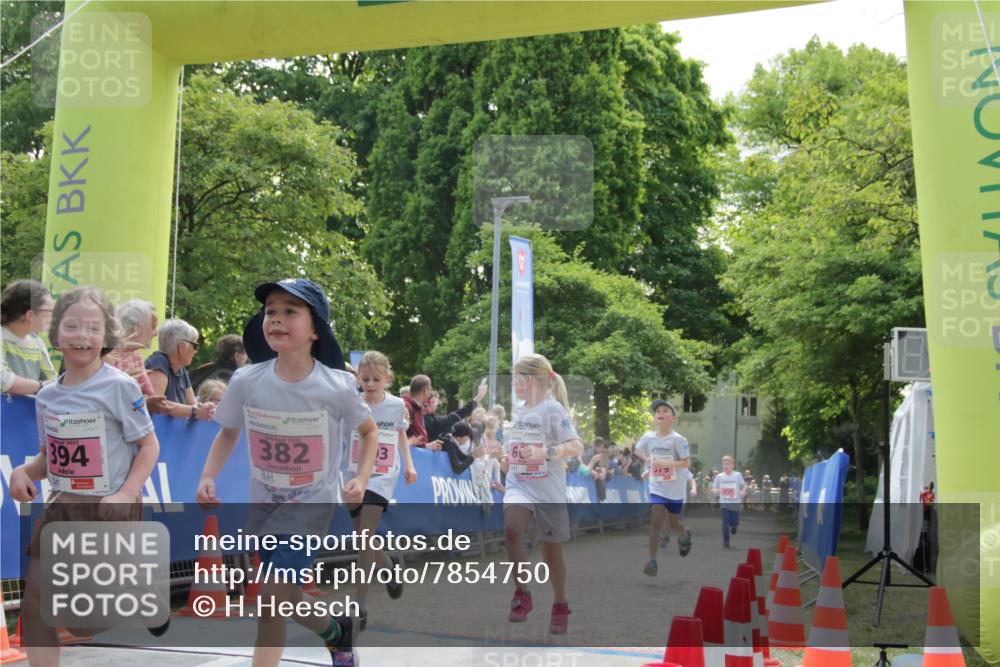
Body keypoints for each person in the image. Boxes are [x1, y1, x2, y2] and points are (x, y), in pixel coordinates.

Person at [196, 278, 378, 666]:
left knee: (270, 598)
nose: (276, 318)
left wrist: (361, 478)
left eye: (290, 311)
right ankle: (336, 631)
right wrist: (207, 476)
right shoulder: (247, 380)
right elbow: (228, 432)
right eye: (270, 311)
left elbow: (369, 431)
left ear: (315, 330)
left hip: (312, 505)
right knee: (280, 599)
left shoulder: (337, 386)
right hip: (264, 505)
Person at [8, 286, 163, 664]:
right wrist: (23, 471)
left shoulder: (119, 387)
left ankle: (140, 586)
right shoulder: (47, 396)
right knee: (36, 601)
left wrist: (126, 493)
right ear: (56, 334)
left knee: (84, 622)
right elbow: (49, 459)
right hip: (62, 509)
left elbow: (149, 447)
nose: (82, 336)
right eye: (72, 326)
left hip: (110, 510)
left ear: (107, 336)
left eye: (93, 328)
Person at [498, 353, 583, 634]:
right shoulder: (520, 410)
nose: (513, 384)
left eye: (518, 379)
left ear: (532, 380)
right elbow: (518, 448)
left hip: (547, 488)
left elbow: (575, 447)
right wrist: (508, 459)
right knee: (512, 530)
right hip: (519, 483)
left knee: (551, 553)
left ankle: (560, 603)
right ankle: (522, 593)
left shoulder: (553, 409)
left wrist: (544, 453)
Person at [344, 351, 416, 631]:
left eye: (376, 379)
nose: (370, 384)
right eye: (365, 379)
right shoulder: (352, 402)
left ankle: (359, 603)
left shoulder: (397, 405)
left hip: (382, 475)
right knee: (361, 534)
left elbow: (400, 433)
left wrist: (409, 465)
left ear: (388, 379)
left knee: (364, 537)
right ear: (358, 378)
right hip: (352, 472)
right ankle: (387, 567)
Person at [633, 399, 693, 577]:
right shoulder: (648, 437)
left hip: (675, 489)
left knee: (674, 524)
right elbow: (638, 451)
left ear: (673, 418)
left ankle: (684, 535)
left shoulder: (678, 440)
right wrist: (648, 460)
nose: (661, 412)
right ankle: (652, 561)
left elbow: (686, 462)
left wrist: (667, 465)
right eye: (658, 410)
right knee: (656, 519)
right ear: (654, 418)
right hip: (657, 486)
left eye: (666, 410)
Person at [145, 319, 215, 421]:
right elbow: (156, 404)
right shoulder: (159, 362)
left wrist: (204, 408)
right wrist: (195, 411)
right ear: (181, 347)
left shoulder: (181, 369)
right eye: (195, 346)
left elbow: (192, 404)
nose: (196, 351)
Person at [1, 279, 55, 395]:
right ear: (30, 315)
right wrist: (42, 385)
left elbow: (53, 380)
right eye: (50, 311)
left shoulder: (37, 342)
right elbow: (4, 380)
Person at [711, 455, 747, 549]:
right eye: (723, 464)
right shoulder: (719, 476)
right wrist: (716, 491)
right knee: (725, 522)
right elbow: (713, 488)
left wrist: (743, 491)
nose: (725, 466)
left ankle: (734, 526)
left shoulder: (737, 475)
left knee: (734, 522)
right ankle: (726, 541)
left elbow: (744, 485)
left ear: (732, 465)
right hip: (724, 502)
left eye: (727, 464)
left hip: (735, 502)